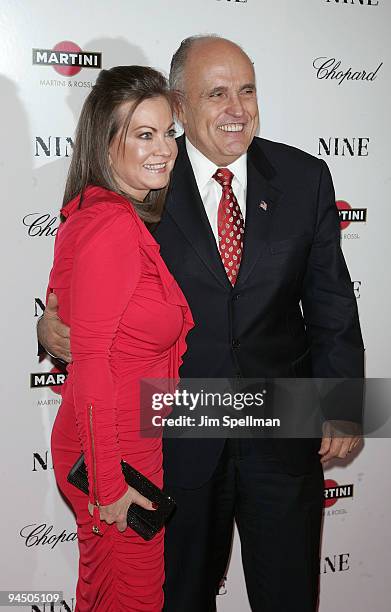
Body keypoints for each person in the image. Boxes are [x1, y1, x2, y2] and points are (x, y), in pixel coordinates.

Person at [39, 37, 364, 612]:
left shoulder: (306, 176)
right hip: (176, 435)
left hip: (282, 428)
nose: (236, 108)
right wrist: (50, 332)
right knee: (178, 598)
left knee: (289, 596)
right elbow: (78, 298)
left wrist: (342, 401)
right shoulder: (141, 187)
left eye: (246, 90)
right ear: (180, 108)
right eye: (216, 94)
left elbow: (332, 299)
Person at [43, 65, 193, 612]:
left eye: (168, 133)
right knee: (132, 596)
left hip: (119, 439)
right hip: (114, 451)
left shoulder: (92, 211)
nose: (165, 150)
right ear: (107, 142)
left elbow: (67, 316)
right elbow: (93, 366)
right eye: (144, 134)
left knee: (107, 592)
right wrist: (109, 484)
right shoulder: (110, 225)